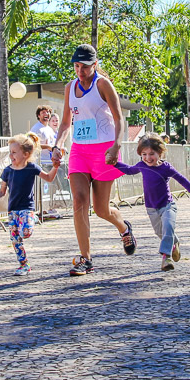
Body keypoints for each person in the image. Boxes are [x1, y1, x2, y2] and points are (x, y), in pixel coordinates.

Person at [53, 44, 136, 276]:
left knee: (100, 209)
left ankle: (123, 227)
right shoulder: (70, 87)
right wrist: (57, 145)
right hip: (80, 150)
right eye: (77, 66)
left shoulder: (103, 84)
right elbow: (65, 123)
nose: (80, 71)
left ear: (95, 65)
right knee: (79, 201)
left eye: (85, 67)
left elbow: (119, 120)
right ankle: (85, 259)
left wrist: (116, 146)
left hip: (104, 150)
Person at [111, 133, 190, 271]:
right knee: (161, 232)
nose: (148, 158)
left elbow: (181, 179)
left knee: (168, 227)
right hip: (151, 208)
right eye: (144, 154)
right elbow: (128, 170)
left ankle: (166, 258)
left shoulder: (166, 168)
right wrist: (114, 162)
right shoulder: (142, 165)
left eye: (151, 154)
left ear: (160, 153)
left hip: (167, 205)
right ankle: (174, 244)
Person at [0, 133, 61, 276]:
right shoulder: (7, 171)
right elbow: (2, 191)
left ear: (25, 154)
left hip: (27, 209)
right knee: (15, 240)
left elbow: (49, 178)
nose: (10, 155)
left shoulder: (32, 168)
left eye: (14, 152)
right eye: (10, 152)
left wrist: (55, 167)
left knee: (25, 232)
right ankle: (24, 265)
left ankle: (32, 220)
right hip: (12, 210)